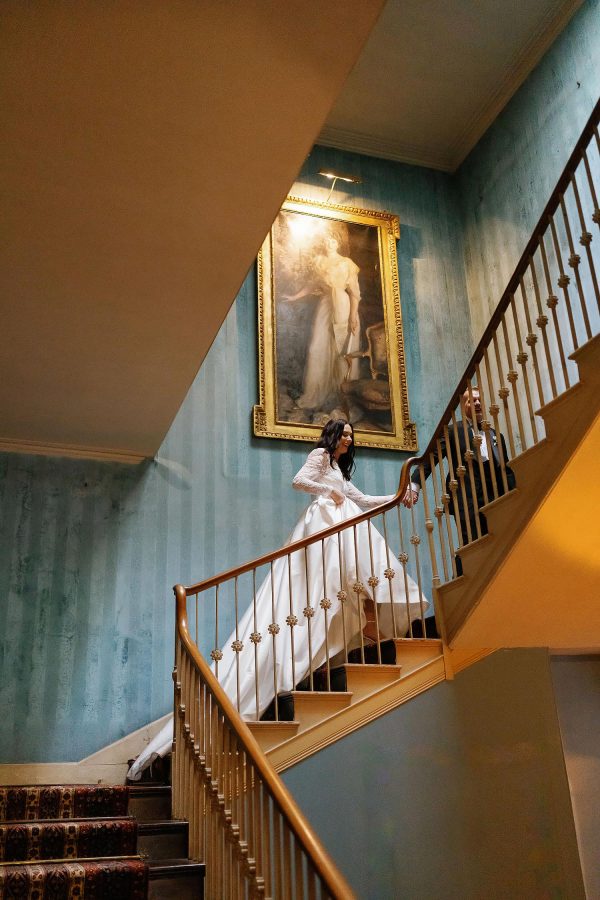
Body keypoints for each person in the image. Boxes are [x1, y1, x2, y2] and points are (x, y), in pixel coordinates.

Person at [127, 420, 428, 782]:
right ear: (333, 437)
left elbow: (361, 500)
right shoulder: (320, 455)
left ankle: (349, 638)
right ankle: (319, 648)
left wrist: (396, 497)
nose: (349, 439)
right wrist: (327, 494)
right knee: (321, 585)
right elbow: (299, 481)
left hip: (343, 521)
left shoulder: (339, 470)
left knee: (354, 581)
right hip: (323, 524)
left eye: (351, 435)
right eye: (344, 434)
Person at [403, 387, 516, 561]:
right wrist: (414, 486)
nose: (477, 403)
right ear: (464, 406)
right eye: (471, 400)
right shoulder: (452, 431)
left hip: (496, 499)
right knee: (472, 547)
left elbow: (504, 469)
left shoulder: (495, 435)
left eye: (479, 399)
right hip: (466, 499)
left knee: (499, 547)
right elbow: (430, 460)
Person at [283, 233, 362, 410]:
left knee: (341, 350)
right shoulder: (319, 262)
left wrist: (353, 316)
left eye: (333, 240)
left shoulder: (347, 263)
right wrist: (295, 296)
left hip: (343, 305)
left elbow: (355, 292)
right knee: (316, 347)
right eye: (327, 240)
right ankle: (315, 393)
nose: (329, 243)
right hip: (325, 304)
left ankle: (342, 395)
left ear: (338, 243)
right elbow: (312, 285)